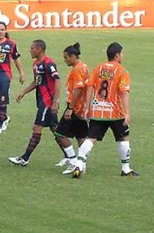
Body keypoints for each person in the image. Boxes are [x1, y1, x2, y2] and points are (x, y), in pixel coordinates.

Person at [71, 42, 139, 178]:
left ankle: (79, 164)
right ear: (117, 55)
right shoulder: (122, 71)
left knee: (91, 138)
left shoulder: (98, 68)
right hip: (116, 113)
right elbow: (124, 92)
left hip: (97, 111)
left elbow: (89, 86)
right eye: (122, 53)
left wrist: (88, 107)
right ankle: (125, 168)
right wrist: (127, 112)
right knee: (123, 138)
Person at [8, 39, 62, 167]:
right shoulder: (35, 64)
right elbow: (37, 81)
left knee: (37, 128)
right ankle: (70, 156)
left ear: (39, 49)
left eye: (32, 48)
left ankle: (25, 158)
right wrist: (24, 92)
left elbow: (57, 81)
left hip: (47, 102)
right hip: (42, 101)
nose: (30, 50)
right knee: (56, 129)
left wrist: (55, 101)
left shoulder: (49, 63)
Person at [54, 42, 90, 175]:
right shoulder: (84, 66)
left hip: (75, 107)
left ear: (73, 56)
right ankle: (82, 164)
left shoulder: (77, 69)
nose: (65, 60)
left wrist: (70, 107)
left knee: (59, 134)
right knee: (81, 136)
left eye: (66, 57)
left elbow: (78, 89)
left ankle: (73, 160)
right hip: (82, 107)